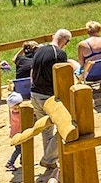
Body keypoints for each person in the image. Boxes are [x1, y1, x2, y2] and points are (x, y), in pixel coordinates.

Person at [30, 28, 73, 172]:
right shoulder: (59, 54)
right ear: (65, 41)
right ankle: (48, 158)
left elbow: (32, 72)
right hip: (48, 96)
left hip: (35, 94)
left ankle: (50, 161)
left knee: (46, 129)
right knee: (65, 124)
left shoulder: (39, 51)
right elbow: (61, 76)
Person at [5, 91, 24, 172]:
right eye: (15, 108)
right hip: (17, 134)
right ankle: (10, 163)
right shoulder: (17, 115)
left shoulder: (14, 112)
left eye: (18, 107)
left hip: (17, 133)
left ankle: (23, 160)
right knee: (19, 149)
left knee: (23, 147)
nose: (17, 110)